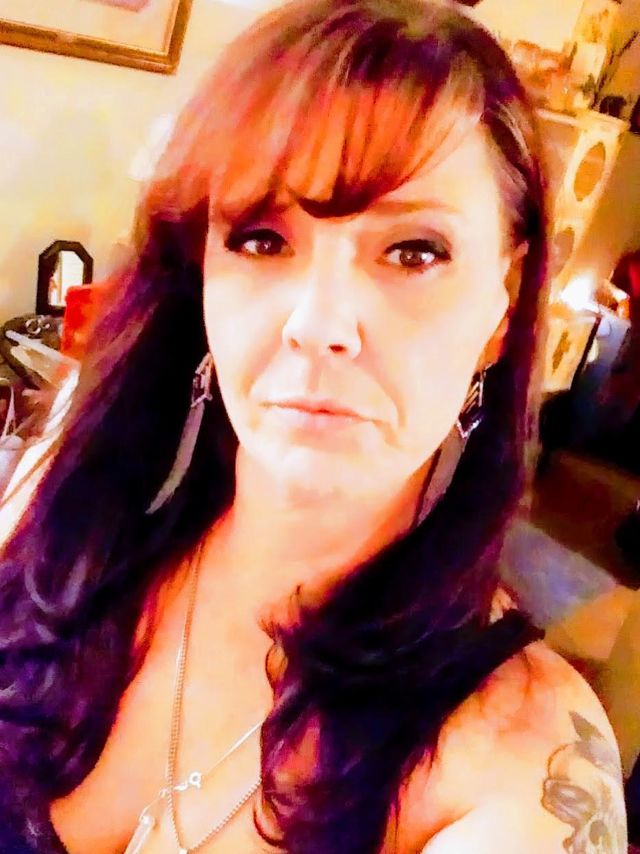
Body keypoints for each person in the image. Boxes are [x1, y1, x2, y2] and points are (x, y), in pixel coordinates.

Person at [0, 0, 627, 851]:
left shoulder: (520, 763)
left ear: (502, 305)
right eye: (263, 239)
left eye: (413, 252)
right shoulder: (59, 521)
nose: (319, 323)